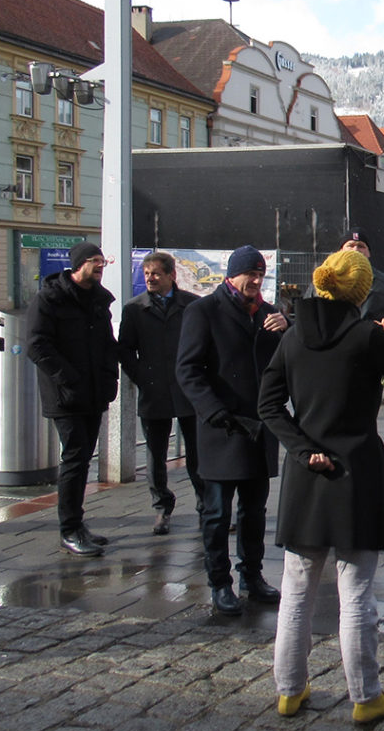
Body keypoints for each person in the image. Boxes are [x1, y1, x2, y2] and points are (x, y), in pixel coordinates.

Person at [259, 249, 384, 724]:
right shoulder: (365, 337)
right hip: (355, 473)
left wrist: (301, 448)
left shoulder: (292, 337)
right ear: (361, 293)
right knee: (356, 593)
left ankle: (289, 691)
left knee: (297, 590)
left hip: (305, 476)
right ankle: (365, 695)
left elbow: (269, 405)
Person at [176, 245, 288, 615]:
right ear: (231, 275)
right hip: (222, 429)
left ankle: (251, 576)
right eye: (249, 275)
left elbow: (288, 365)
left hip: (259, 429)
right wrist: (214, 412)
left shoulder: (271, 315)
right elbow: (188, 371)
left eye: (260, 275)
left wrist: (287, 331)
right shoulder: (203, 312)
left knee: (254, 512)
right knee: (217, 513)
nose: (255, 281)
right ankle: (219, 582)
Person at [27, 241, 119, 557]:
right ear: (78, 264)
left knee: (82, 458)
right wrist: (69, 378)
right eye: (95, 262)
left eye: (102, 263)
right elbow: (37, 346)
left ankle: (77, 524)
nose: (100, 267)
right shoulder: (49, 299)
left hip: (93, 393)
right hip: (65, 395)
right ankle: (69, 529)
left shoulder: (97, 300)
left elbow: (108, 344)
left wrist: (111, 378)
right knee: (75, 457)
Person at [118, 251, 202, 536]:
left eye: (155, 273)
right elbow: (125, 349)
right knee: (156, 455)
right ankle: (162, 507)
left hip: (188, 389)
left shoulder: (192, 305)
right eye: (146, 274)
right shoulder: (134, 309)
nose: (150, 278)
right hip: (154, 390)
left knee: (197, 451)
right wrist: (141, 377)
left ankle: (206, 505)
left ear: (171, 275)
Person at [306, 229, 384, 322]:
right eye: (350, 245)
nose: (356, 250)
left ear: (369, 253)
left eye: (361, 246)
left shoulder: (383, 284)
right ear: (340, 251)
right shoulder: (325, 279)